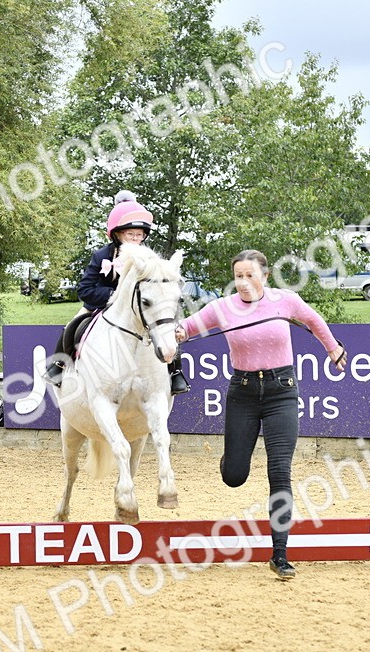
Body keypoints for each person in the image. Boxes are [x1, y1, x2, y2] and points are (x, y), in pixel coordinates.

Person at [175, 249, 347, 581]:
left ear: (265, 276)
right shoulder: (222, 308)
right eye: (238, 276)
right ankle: (230, 460)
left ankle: (279, 555)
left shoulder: (285, 300)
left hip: (281, 391)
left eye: (249, 275)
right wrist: (178, 333)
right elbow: (188, 327)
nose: (243, 282)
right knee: (234, 476)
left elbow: (313, 320)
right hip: (243, 392)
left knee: (279, 471)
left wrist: (333, 348)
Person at [42, 190, 189, 395]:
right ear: (117, 234)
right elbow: (85, 289)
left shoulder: (149, 259)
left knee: (167, 330)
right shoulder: (102, 255)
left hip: (140, 309)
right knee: (72, 325)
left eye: (139, 235)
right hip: (101, 307)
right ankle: (58, 366)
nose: (136, 239)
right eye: (130, 234)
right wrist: (114, 296)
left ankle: (175, 373)